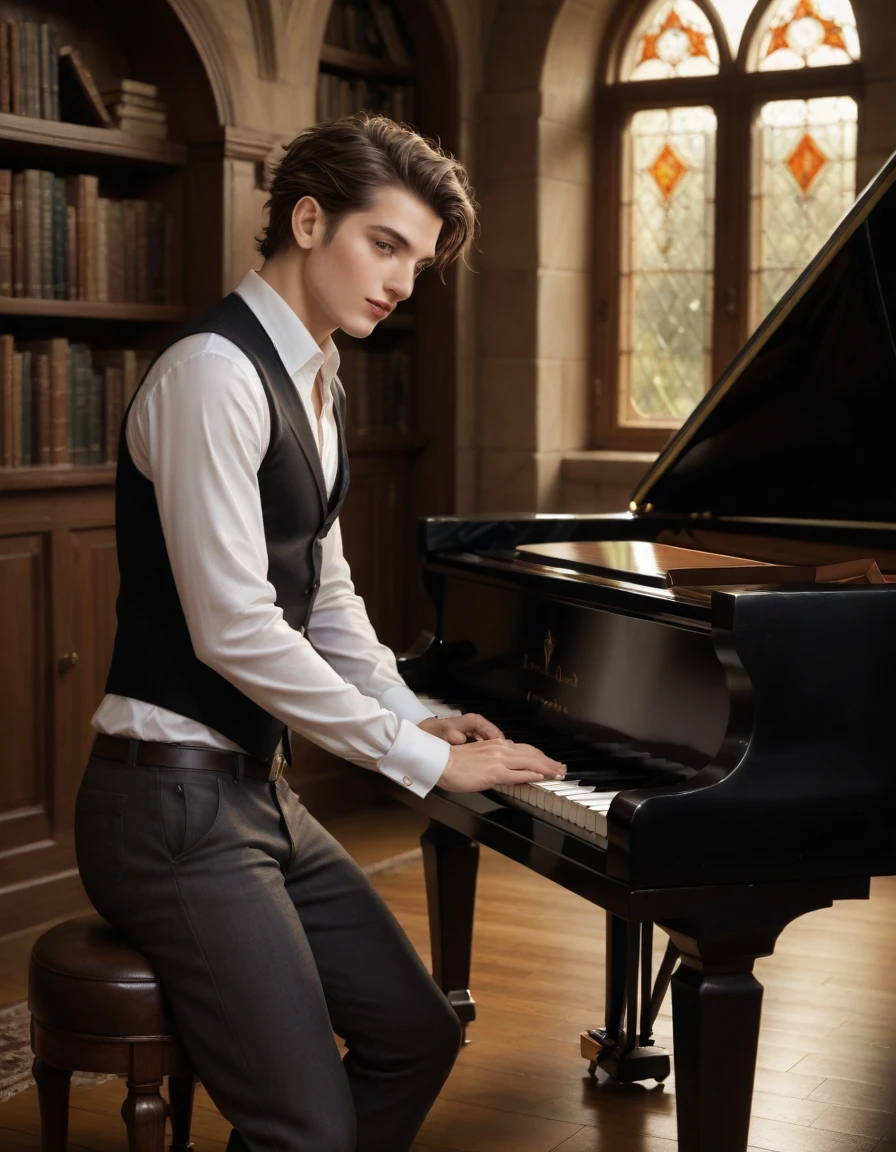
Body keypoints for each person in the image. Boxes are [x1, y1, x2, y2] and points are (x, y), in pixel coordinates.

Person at [73, 113, 565, 1152]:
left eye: (416, 263)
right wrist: (416, 764)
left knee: (416, 1036)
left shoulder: (317, 379)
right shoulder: (213, 371)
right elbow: (234, 631)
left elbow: (326, 596)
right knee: (305, 1131)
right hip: (161, 806)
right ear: (307, 219)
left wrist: (418, 720)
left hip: (254, 796)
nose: (399, 280)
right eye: (382, 245)